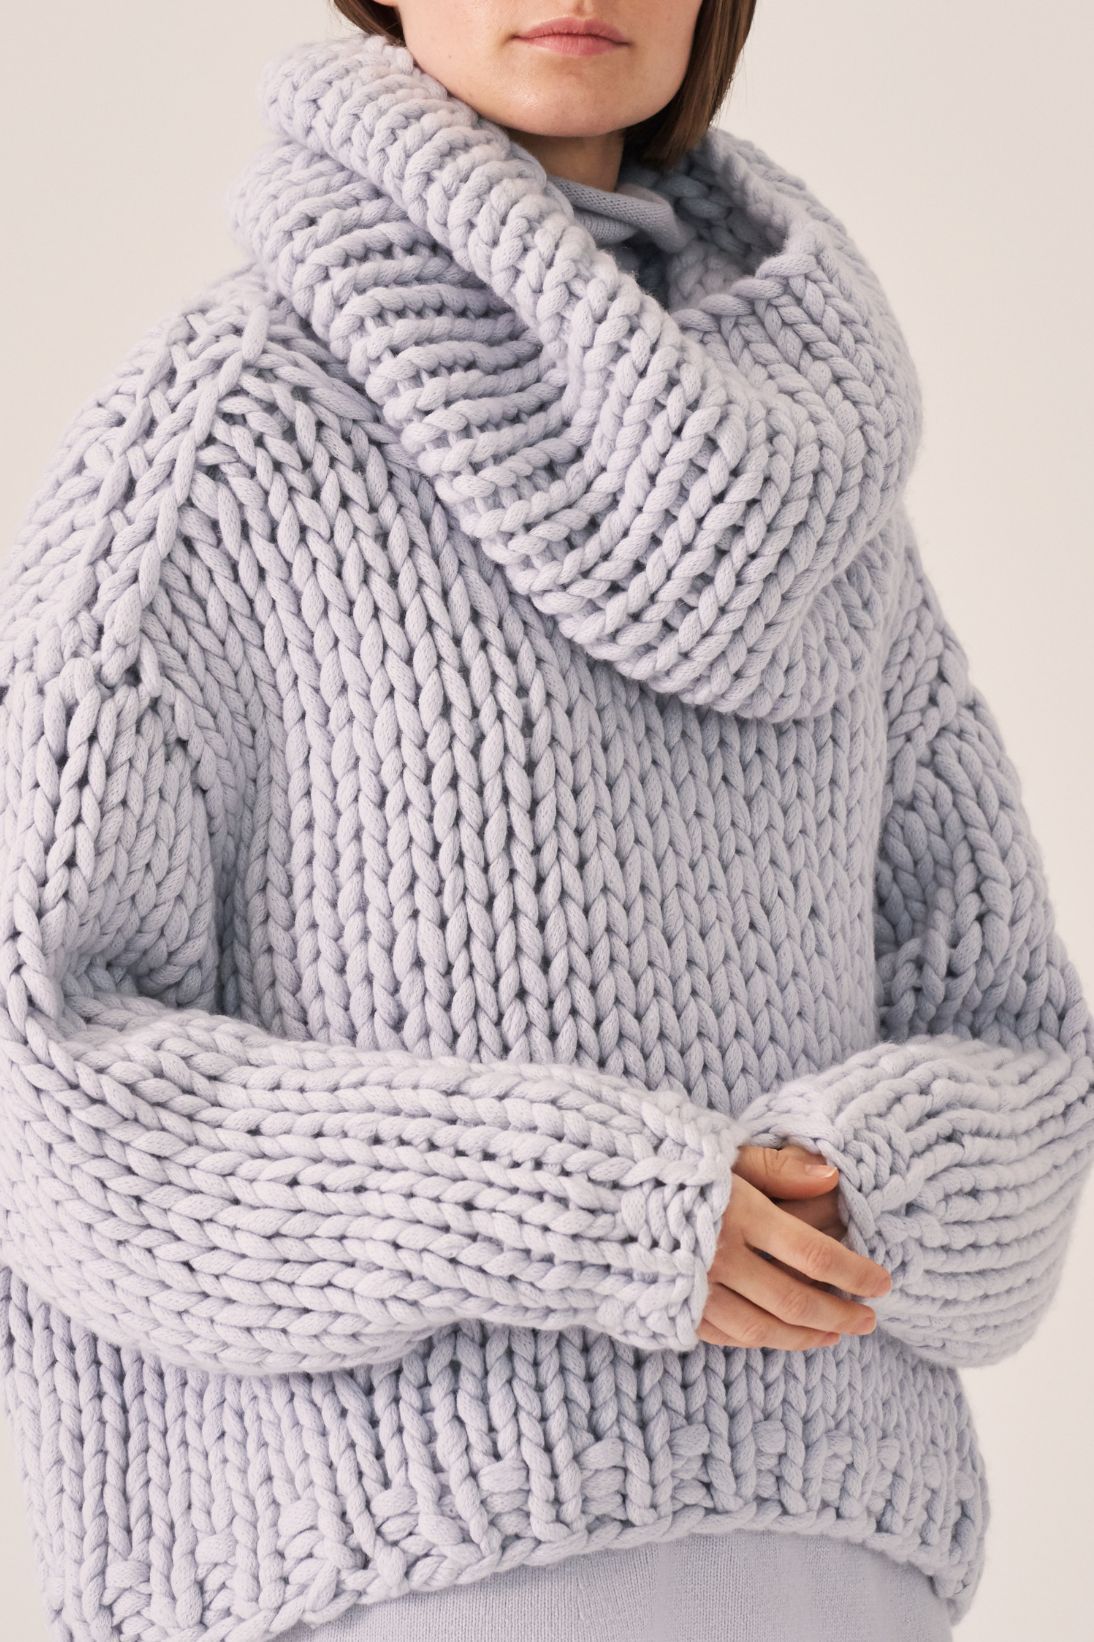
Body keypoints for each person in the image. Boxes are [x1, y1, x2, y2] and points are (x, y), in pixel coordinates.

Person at [1, 3, 1091, 1640]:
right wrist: (573, 1205)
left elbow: (1017, 1047)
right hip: (383, 1573)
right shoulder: (221, 448)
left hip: (838, 1564)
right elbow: (45, 1085)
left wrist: (863, 1184)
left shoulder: (820, 519)